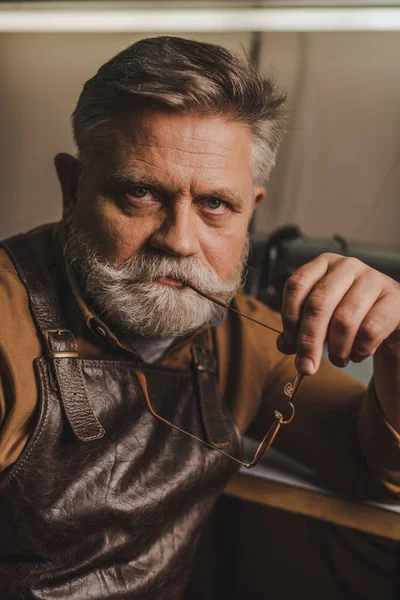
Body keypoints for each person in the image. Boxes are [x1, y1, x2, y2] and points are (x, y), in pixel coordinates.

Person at [0, 36, 399, 600]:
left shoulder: (240, 338)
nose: (180, 241)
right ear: (72, 189)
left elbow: (378, 469)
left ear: (249, 213)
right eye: (140, 193)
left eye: (215, 204)